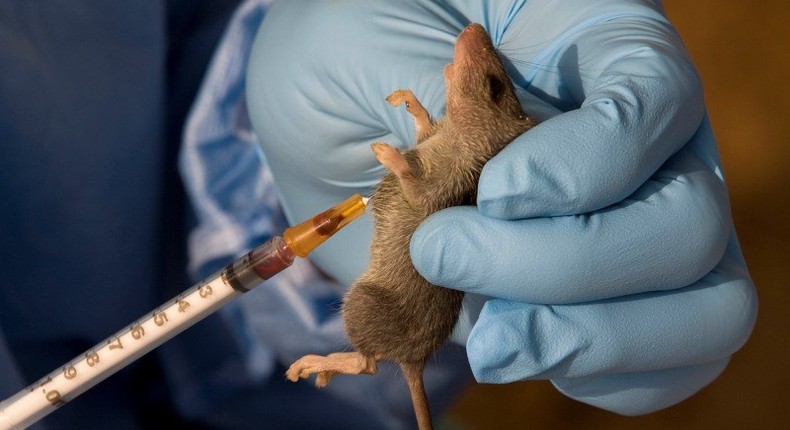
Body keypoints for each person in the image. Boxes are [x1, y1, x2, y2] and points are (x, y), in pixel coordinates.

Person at [1, 0, 757, 429]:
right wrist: (402, 156)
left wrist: (265, 142)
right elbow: (419, 179)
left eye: (485, 77)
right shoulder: (466, 142)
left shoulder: (483, 154)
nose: (472, 51)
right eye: (489, 80)